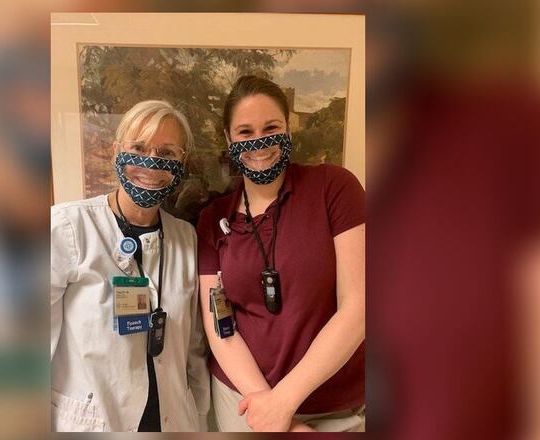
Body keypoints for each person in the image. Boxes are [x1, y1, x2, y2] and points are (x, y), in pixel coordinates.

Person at [196, 75, 366, 432]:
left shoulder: (334, 188)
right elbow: (219, 325)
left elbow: (359, 306)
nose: (259, 141)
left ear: (288, 130)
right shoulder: (214, 219)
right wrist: (270, 412)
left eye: (271, 127)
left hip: (333, 408)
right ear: (229, 140)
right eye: (245, 132)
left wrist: (284, 401)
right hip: (245, 403)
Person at [51, 100, 210, 432]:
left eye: (166, 153)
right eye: (138, 147)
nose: (151, 162)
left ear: (180, 163)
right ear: (116, 151)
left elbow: (194, 344)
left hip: (171, 417)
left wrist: (200, 413)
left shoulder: (185, 237)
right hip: (93, 420)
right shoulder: (68, 227)